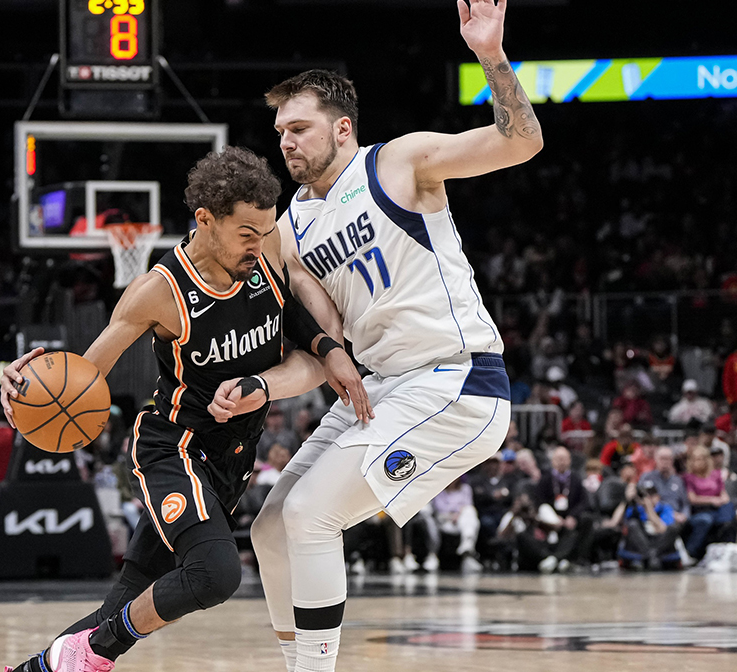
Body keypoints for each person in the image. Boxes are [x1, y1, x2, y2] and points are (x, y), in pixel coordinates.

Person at [226, 5, 543, 667]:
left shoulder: (397, 164)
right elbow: (324, 352)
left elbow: (521, 143)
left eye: (299, 127)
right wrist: (256, 384)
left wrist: (490, 53)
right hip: (381, 388)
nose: (285, 141)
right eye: (280, 130)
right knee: (271, 527)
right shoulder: (291, 229)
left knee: (311, 512)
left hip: (456, 380)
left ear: (342, 128)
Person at [2, 146, 366, 672]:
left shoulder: (264, 251)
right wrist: (16, 385)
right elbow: (82, 377)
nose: (260, 245)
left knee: (123, 600)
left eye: (266, 231)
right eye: (247, 233)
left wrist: (328, 351)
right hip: (175, 450)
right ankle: (104, 650)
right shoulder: (158, 291)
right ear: (205, 221)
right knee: (215, 575)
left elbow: (289, 311)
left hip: (230, 460)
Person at [533, 447, 591, 572]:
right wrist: (555, 518)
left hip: (570, 517)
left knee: (587, 521)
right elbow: (539, 500)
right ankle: (557, 558)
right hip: (552, 519)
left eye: (564, 459)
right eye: (558, 459)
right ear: (552, 461)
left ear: (570, 461)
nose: (561, 462)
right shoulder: (546, 479)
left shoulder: (576, 479)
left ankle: (567, 559)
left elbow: (584, 501)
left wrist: (573, 516)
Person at [609, 481, 683, 569]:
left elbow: (663, 529)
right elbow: (614, 522)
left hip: (660, 543)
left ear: (658, 496)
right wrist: (626, 500)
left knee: (673, 528)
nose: (648, 498)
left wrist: (649, 508)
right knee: (632, 524)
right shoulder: (635, 509)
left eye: (652, 494)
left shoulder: (665, 508)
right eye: (645, 495)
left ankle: (651, 556)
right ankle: (650, 556)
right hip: (641, 545)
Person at [684, 446, 736, 559]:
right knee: (705, 520)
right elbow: (692, 499)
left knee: (729, 511)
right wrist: (711, 500)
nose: (699, 462)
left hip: (717, 509)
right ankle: (690, 553)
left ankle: (728, 551)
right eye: (696, 459)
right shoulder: (689, 477)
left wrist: (722, 500)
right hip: (699, 510)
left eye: (702, 459)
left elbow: (724, 495)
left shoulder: (716, 474)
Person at [638, 447, 690, 523]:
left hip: (677, 518)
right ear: (655, 459)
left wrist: (685, 515)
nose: (665, 462)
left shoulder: (678, 480)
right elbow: (642, 500)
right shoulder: (647, 478)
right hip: (655, 516)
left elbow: (685, 503)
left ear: (672, 461)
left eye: (668, 459)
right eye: (662, 459)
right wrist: (671, 514)